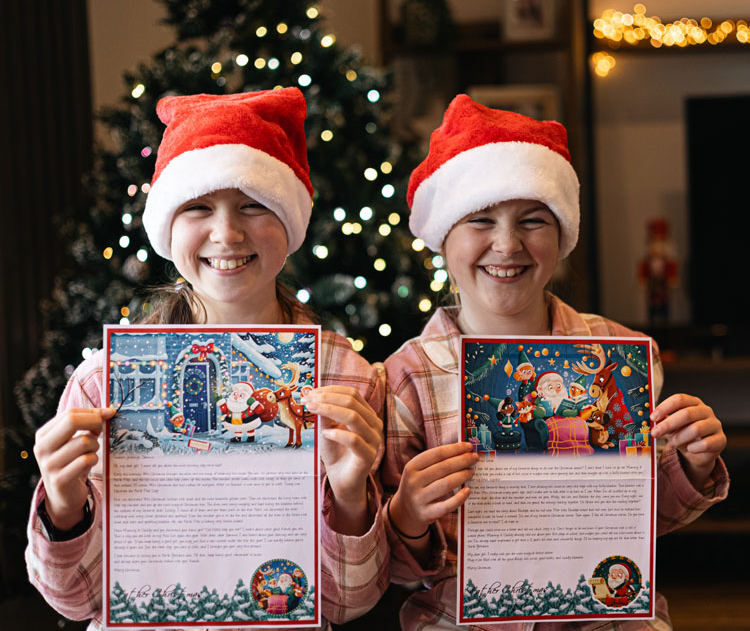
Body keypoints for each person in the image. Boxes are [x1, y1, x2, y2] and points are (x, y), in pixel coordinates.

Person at [27, 88, 388, 629]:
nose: (226, 233)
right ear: (167, 229)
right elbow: (77, 601)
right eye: (198, 207)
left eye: (252, 205)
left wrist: (352, 497)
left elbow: (347, 602)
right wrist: (61, 502)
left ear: (289, 224)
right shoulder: (103, 382)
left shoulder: (346, 379)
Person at [381, 94, 728, 630]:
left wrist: (692, 463)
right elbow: (399, 571)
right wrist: (407, 515)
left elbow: (643, 521)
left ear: (563, 235)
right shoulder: (406, 379)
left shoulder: (623, 358)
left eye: (533, 220)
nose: (507, 243)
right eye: (479, 219)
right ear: (442, 236)